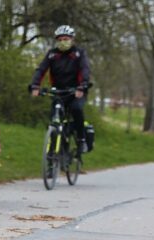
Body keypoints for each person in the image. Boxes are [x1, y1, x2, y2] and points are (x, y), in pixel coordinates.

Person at [29, 25, 91, 153]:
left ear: (72, 39)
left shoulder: (79, 53)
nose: (63, 42)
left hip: (76, 91)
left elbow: (85, 69)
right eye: (60, 39)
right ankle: (52, 153)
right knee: (54, 118)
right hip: (58, 92)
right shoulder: (52, 54)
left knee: (76, 109)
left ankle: (81, 140)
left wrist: (82, 86)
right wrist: (35, 85)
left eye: (66, 39)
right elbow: (41, 69)